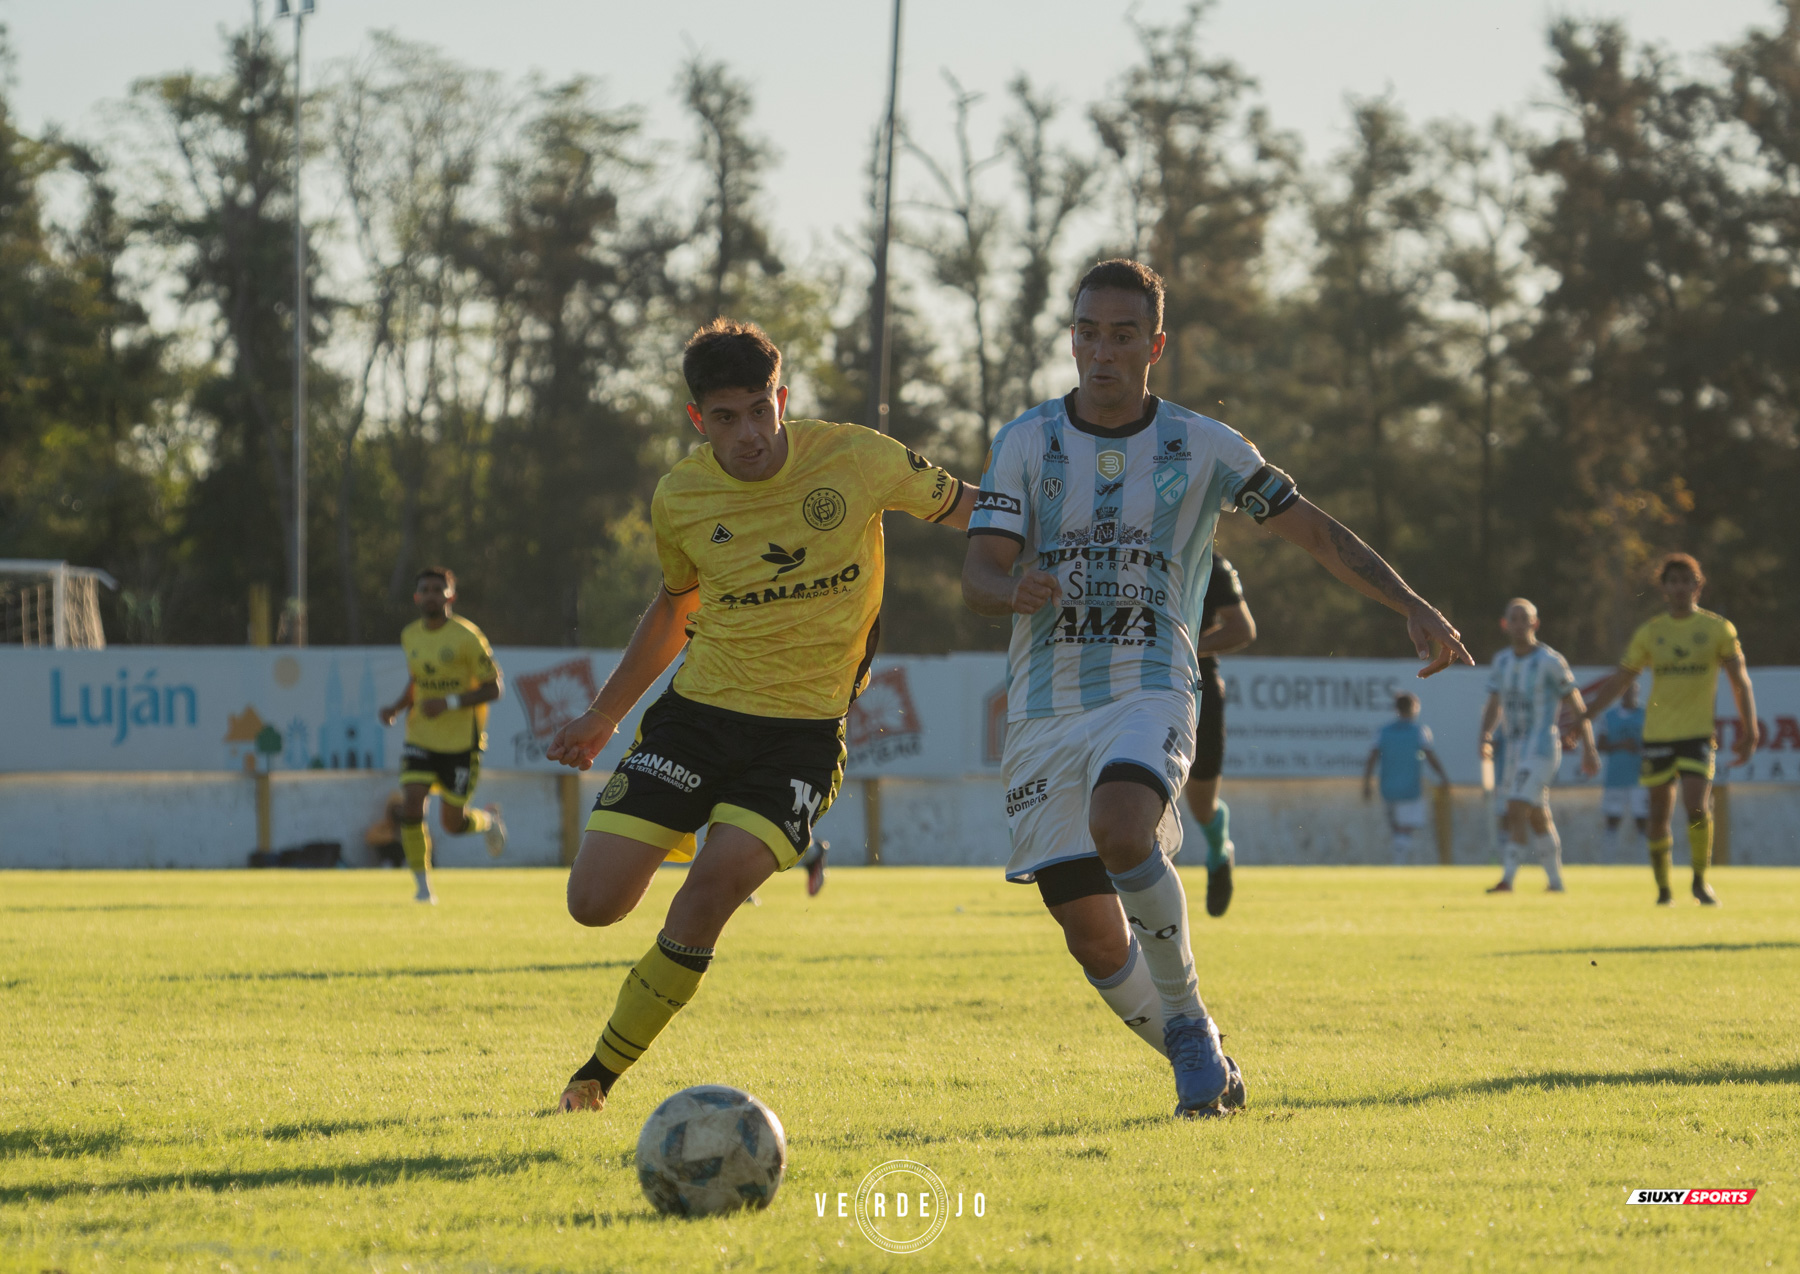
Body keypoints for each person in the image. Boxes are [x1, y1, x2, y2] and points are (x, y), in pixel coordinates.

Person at [961, 259, 1471, 1118]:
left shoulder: (1204, 446)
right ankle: (1202, 1058)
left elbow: (1311, 529)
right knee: (1091, 938)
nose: (1103, 351)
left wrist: (1411, 603)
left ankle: (1191, 1026)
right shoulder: (1025, 442)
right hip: (1044, 707)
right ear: (1073, 338)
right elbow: (978, 567)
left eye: (1124, 334)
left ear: (1154, 345)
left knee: (1123, 829)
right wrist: (1005, 587)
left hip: (1152, 685)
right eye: (1088, 332)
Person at [546, 319, 975, 1115]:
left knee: (706, 892)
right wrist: (606, 714)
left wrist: (1081, 535)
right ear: (696, 420)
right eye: (724, 418)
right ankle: (713, 842)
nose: (747, 435)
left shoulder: (858, 458)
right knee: (593, 904)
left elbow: (974, 512)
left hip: (801, 739)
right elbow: (676, 608)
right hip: (694, 719)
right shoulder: (680, 496)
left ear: (783, 399)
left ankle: (596, 1075)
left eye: (758, 410)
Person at [1582, 554, 1760, 905]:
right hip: (1659, 734)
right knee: (1659, 813)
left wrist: (1750, 728)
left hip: (1697, 734)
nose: (1680, 587)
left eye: (1687, 580)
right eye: (1673, 581)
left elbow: (1740, 681)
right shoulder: (1652, 633)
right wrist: (1586, 714)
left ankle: (1699, 881)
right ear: (1664, 588)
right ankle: (1664, 888)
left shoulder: (1717, 629)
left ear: (1698, 585)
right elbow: (1621, 680)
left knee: (1696, 806)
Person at [377, 567, 507, 904]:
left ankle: (488, 820)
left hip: (461, 744)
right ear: (417, 597)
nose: (432, 595)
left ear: (451, 596)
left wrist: (448, 702)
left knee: (452, 824)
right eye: (426, 589)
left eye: (439, 589)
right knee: (410, 806)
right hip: (421, 738)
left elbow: (495, 688)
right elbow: (417, 682)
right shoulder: (410, 636)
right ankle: (422, 887)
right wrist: (396, 707)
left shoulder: (467, 636)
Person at [1478, 599, 1599, 894]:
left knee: (1516, 806)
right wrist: (1485, 735)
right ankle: (1556, 882)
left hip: (1543, 747)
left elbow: (1576, 703)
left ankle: (1507, 879)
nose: (1519, 624)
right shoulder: (1502, 661)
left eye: (1525, 619)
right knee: (1536, 813)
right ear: (1505, 624)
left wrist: (1589, 747)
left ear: (1535, 624)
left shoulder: (1550, 661)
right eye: (1514, 619)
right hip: (1514, 750)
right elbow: (1494, 704)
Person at [1181, 554, 1255, 917]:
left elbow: (1242, 628)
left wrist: (1183, 650)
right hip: (1132, 685)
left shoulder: (1212, 565)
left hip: (1198, 687)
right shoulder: (1126, 552)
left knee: (1200, 803)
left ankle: (1218, 849)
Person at [1362, 693, 1449, 865]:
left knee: (1397, 829)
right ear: (1414, 708)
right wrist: (1443, 776)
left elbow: (1372, 757)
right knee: (1405, 829)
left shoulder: (1383, 731)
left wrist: (1366, 783)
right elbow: (1430, 756)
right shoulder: (1419, 731)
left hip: (1388, 787)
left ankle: (1400, 862)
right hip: (1410, 787)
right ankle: (1399, 864)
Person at [1596, 680, 1649, 860]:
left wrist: (1641, 748)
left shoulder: (1646, 715)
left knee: (1643, 821)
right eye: (1625, 691)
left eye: (1632, 690)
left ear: (1637, 691)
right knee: (1612, 820)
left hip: (1640, 777)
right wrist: (1621, 744)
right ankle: (1607, 861)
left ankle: (1645, 862)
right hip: (1616, 777)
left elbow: (1654, 743)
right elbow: (1600, 745)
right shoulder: (1609, 716)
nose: (1629, 694)